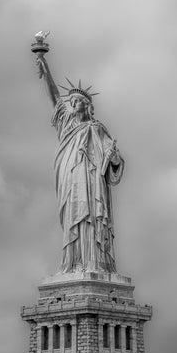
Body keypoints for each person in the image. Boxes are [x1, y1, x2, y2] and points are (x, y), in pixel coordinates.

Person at [37, 56, 124, 274]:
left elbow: (114, 161)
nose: (72, 104)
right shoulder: (66, 124)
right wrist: (44, 65)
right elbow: (54, 97)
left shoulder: (97, 129)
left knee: (92, 219)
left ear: (87, 106)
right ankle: (72, 263)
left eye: (77, 101)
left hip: (92, 181)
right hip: (71, 180)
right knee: (73, 219)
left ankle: (95, 262)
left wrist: (113, 158)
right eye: (71, 101)